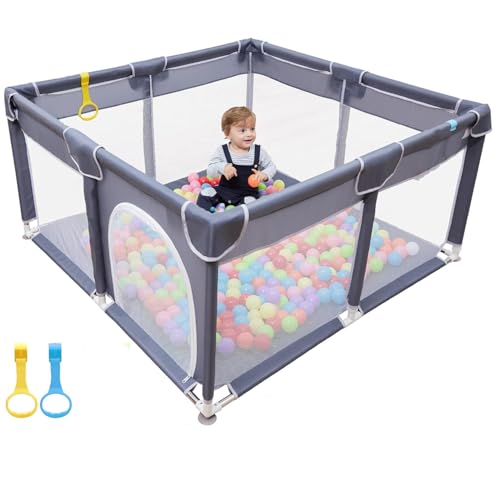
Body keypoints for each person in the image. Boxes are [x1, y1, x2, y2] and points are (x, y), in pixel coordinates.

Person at [197, 106, 277, 211]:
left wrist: (264, 175)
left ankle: (234, 217)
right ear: (227, 134)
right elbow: (210, 172)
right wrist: (223, 167)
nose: (249, 134)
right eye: (242, 130)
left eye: (252, 129)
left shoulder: (259, 151)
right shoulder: (222, 151)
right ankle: (208, 217)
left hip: (247, 195)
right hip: (224, 191)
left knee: (251, 205)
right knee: (205, 193)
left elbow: (271, 166)